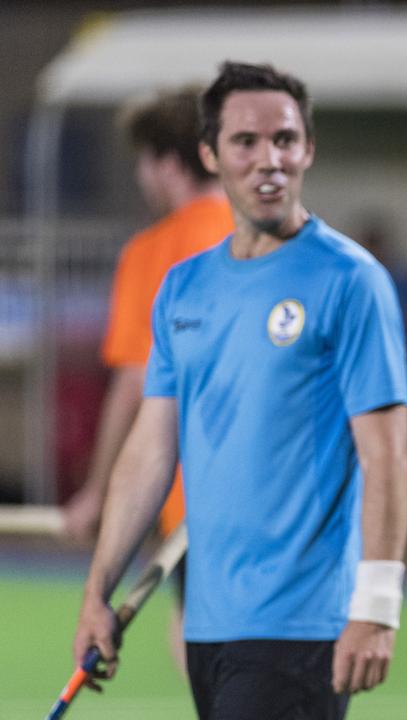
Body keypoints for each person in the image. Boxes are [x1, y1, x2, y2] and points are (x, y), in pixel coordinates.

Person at [71, 61, 407, 720]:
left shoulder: (350, 281)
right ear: (211, 153)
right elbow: (149, 451)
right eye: (245, 142)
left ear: (308, 149)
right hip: (208, 622)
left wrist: (376, 606)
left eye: (284, 140)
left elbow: (386, 454)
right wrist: (96, 592)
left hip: (303, 622)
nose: (269, 159)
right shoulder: (184, 287)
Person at [62, 87, 232, 546]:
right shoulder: (266, 238)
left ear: (170, 165)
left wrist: (99, 493)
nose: (140, 176)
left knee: (190, 619)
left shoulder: (152, 253)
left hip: (194, 498)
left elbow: (135, 381)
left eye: (143, 161)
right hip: (280, 495)